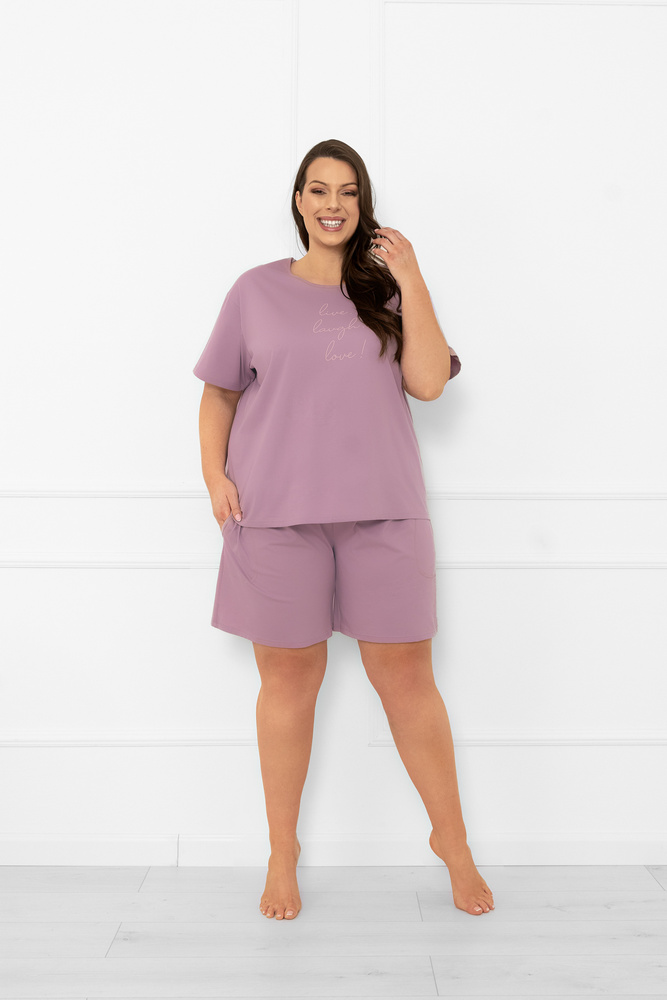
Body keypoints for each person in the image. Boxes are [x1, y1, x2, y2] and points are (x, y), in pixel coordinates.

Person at [193, 139, 494, 921]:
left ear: (363, 206)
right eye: (319, 189)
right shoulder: (254, 291)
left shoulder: (385, 290)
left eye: (348, 192)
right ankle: (281, 852)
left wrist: (411, 276)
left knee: (408, 682)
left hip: (383, 512)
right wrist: (214, 475)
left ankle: (452, 841)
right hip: (274, 516)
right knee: (288, 686)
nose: (333, 204)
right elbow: (219, 392)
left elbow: (427, 383)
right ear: (298, 201)